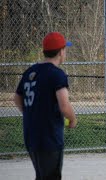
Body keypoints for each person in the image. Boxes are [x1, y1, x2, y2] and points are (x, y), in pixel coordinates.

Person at [14, 32, 77, 179]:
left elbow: (17, 98)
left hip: (31, 136)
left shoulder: (30, 71)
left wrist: (31, 113)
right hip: (49, 137)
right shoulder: (56, 74)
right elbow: (64, 104)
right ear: (61, 52)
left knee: (42, 175)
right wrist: (73, 119)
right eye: (65, 49)